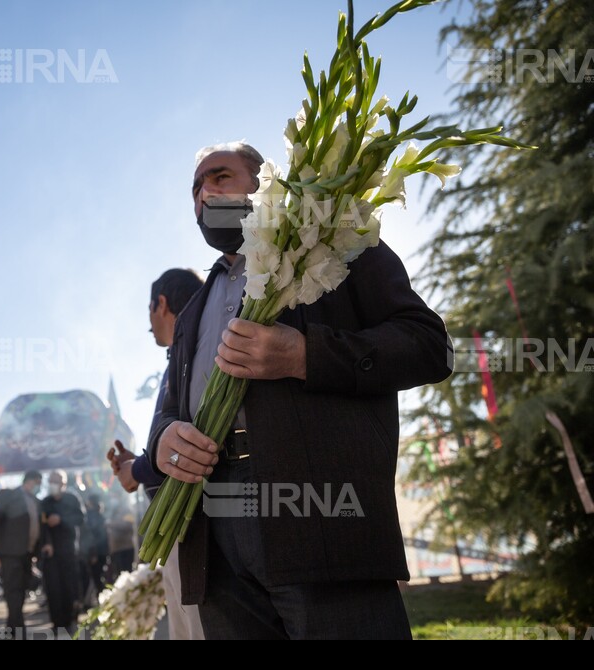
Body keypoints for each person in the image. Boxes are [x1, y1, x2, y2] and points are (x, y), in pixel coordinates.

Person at [148, 141, 454, 639]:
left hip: (323, 522)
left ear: (264, 181)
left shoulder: (334, 241)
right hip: (215, 541)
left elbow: (429, 346)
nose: (205, 193)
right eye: (196, 188)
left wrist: (305, 355)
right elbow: (166, 412)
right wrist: (163, 441)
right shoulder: (191, 314)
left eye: (220, 176)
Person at [107, 267, 206, 639]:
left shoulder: (195, 351)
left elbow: (193, 437)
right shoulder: (183, 354)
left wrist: (141, 469)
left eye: (149, 312)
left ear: (161, 303)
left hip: (197, 525)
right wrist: (139, 465)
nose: (149, 325)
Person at [0, 470, 42, 632]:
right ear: (31, 481)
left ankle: (13, 624)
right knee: (13, 588)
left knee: (21, 588)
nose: (39, 487)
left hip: (27, 552)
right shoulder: (8, 495)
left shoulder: (35, 501)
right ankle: (17, 627)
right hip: (10, 550)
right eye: (38, 483)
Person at [39, 470, 84, 635]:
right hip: (50, 554)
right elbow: (41, 527)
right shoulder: (44, 502)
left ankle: (70, 620)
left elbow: (80, 519)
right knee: (53, 589)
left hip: (69, 550)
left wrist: (61, 520)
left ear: (63, 483)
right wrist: (46, 544)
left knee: (69, 587)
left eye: (56, 481)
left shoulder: (73, 499)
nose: (53, 484)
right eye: (51, 481)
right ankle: (57, 623)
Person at [81, 494, 109, 599]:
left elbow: (92, 536)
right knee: (99, 577)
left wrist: (93, 553)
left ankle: (100, 600)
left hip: (95, 552)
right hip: (102, 551)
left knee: (95, 578)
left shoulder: (90, 516)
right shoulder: (100, 515)